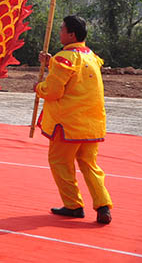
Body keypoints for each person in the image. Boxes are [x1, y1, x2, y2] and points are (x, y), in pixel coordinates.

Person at [35, 15, 113, 225]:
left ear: (71, 34)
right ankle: (103, 204)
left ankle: (73, 205)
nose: (59, 32)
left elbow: (53, 91)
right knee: (90, 165)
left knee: (60, 163)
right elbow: (73, 74)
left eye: (62, 29)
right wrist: (50, 62)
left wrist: (39, 88)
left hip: (67, 124)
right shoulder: (91, 57)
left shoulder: (65, 57)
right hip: (91, 124)